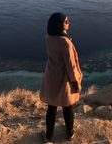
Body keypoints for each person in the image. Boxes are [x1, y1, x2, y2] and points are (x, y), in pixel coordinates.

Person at [40, 12, 82, 142]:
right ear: (60, 24)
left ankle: (48, 136)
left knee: (51, 107)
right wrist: (76, 81)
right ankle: (70, 133)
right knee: (67, 106)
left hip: (51, 75)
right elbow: (71, 66)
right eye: (66, 21)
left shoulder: (49, 37)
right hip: (63, 78)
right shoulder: (65, 43)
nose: (69, 23)